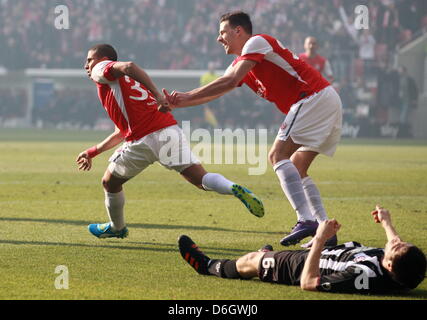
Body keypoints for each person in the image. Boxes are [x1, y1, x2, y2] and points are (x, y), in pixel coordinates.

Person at [163, 12, 343, 247]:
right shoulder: (242, 61)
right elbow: (219, 90)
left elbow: (228, 81)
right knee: (297, 167)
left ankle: (305, 219)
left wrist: (185, 96)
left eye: (222, 32)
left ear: (239, 31)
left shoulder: (256, 42)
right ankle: (324, 231)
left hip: (312, 97)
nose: (219, 39)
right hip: (323, 100)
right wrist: (179, 103)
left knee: (277, 156)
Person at [77, 43, 264, 239]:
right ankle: (233, 188)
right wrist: (93, 151)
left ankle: (117, 227)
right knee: (200, 179)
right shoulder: (122, 86)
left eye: (89, 59)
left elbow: (130, 66)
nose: (86, 65)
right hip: (169, 130)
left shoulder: (102, 69)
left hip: (143, 140)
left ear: (103, 59)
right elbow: (120, 132)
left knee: (110, 182)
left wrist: (158, 95)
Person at [178, 205, 426, 294]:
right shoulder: (400, 269)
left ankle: (208, 266)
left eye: (398, 246)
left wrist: (319, 239)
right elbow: (401, 256)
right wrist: (387, 224)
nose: (396, 241)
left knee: (252, 262)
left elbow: (309, 282)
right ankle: (267, 256)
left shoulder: (362, 274)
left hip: (302, 267)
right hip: (324, 255)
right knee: (266, 256)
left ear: (389, 265)